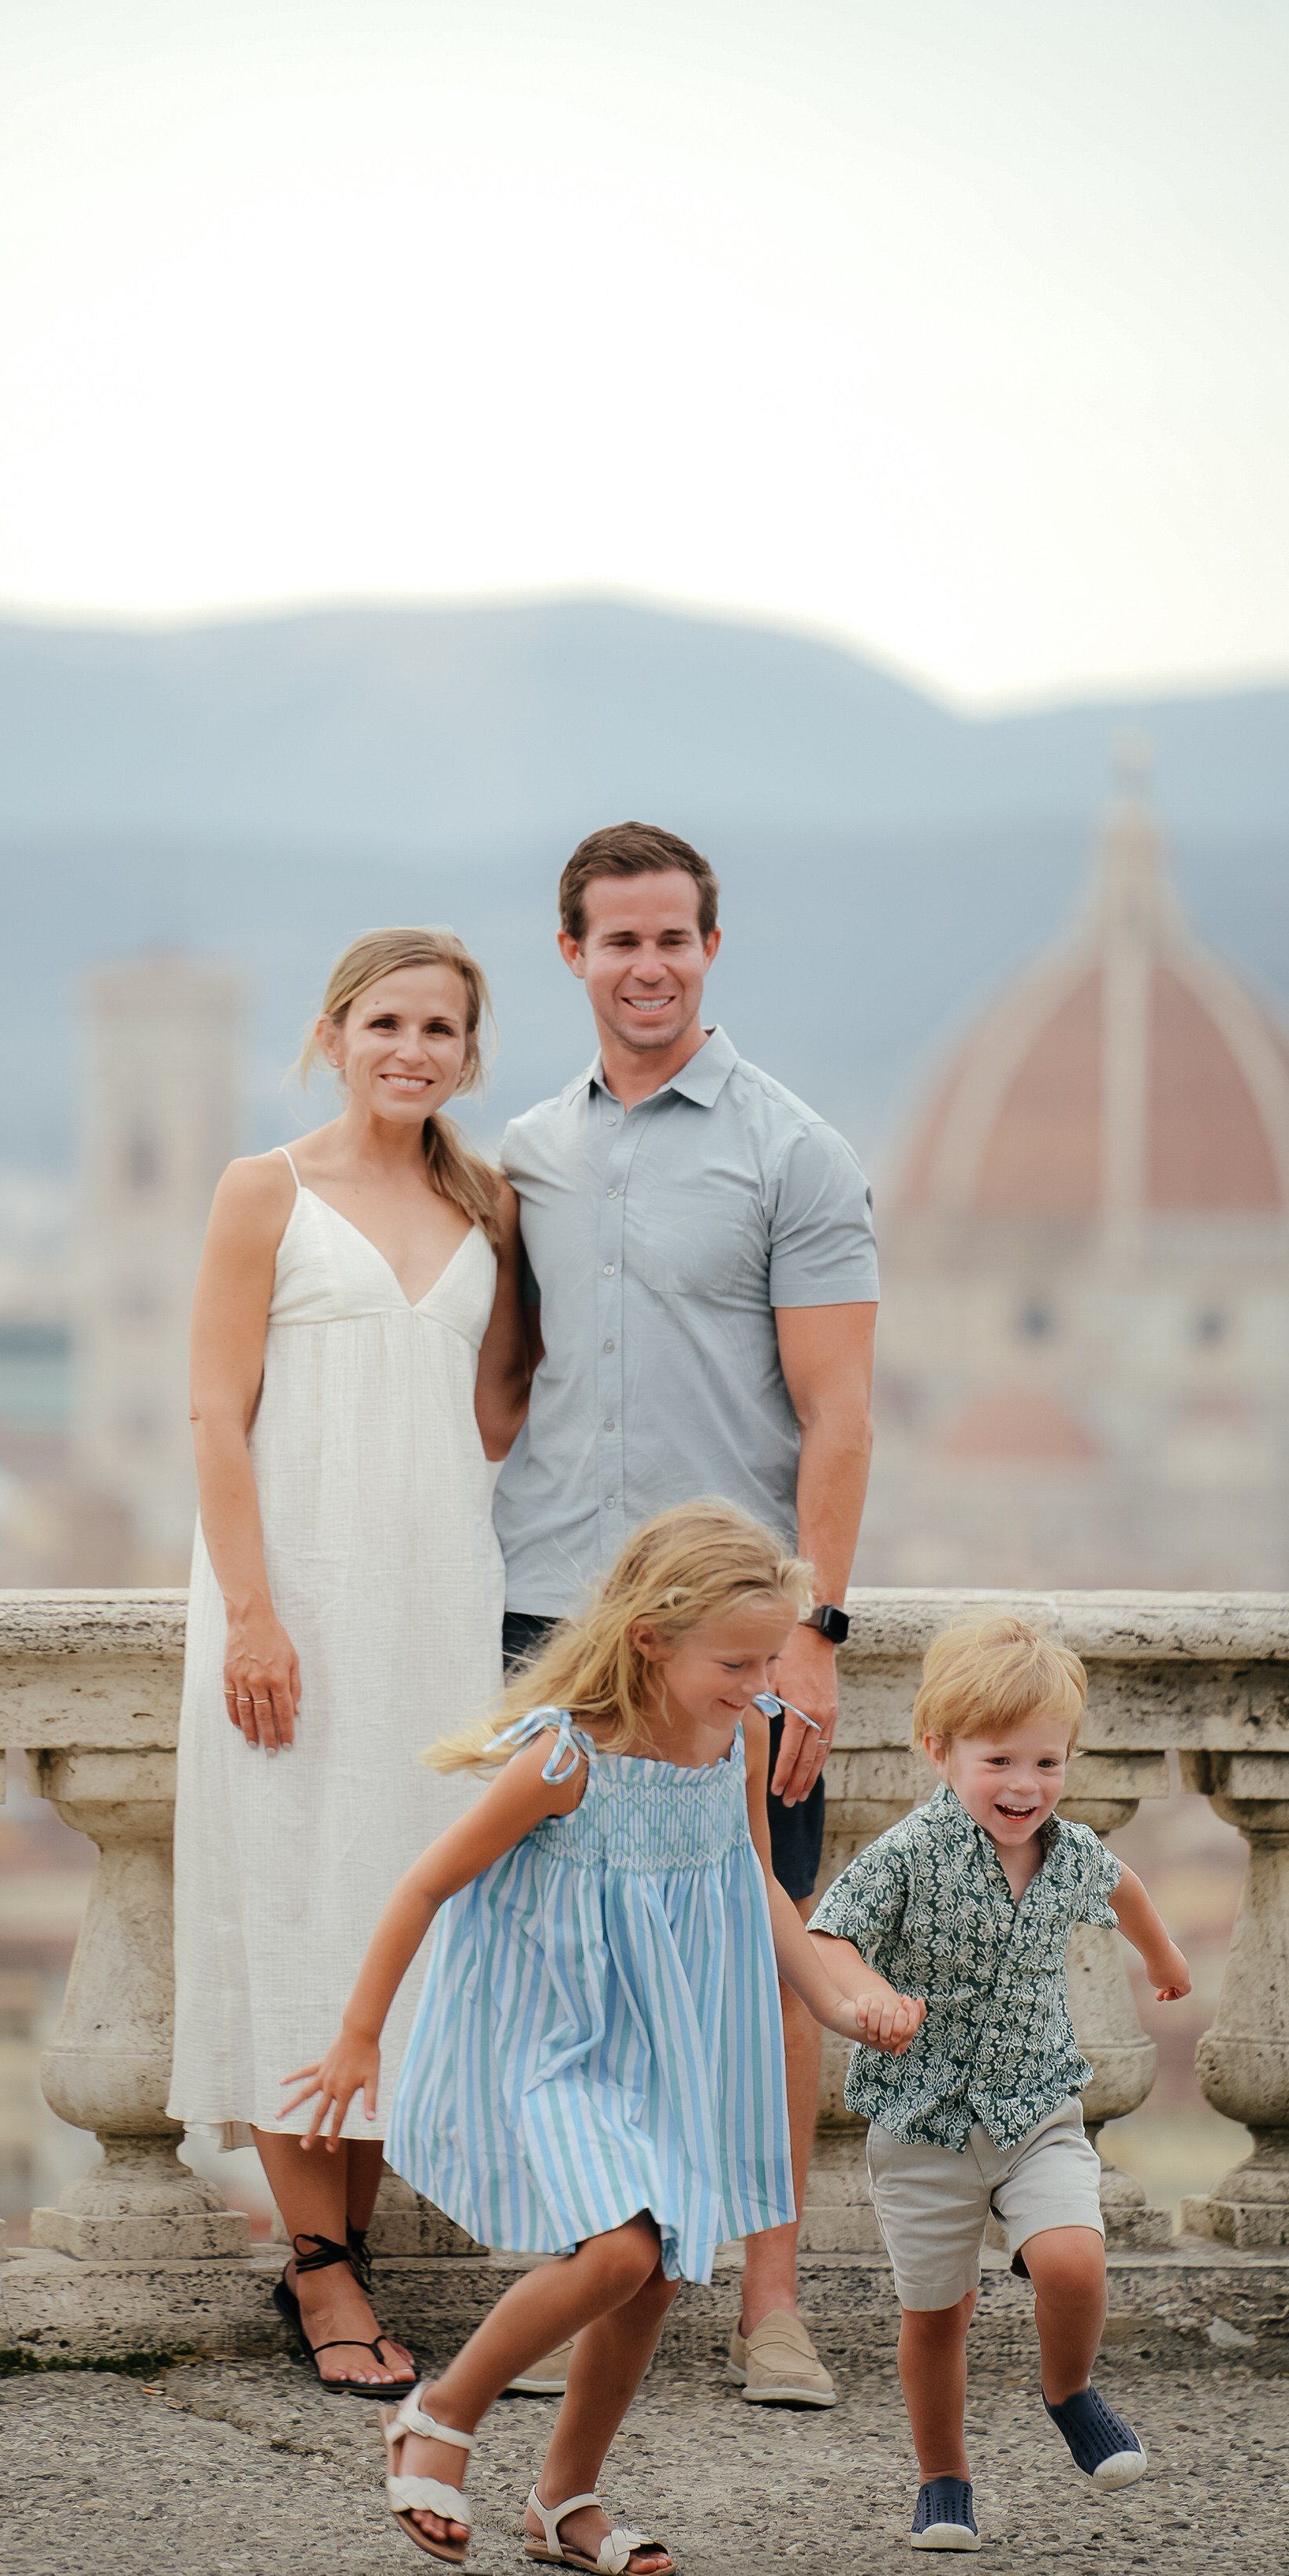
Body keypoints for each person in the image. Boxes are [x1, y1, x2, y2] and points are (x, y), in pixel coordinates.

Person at [281, 1503, 921, 2575]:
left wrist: (834, 2004)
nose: (761, 1680)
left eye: (771, 1656)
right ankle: (438, 2418)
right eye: (737, 1659)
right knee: (621, 2248)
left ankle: (563, 2501)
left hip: (669, 2043)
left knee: (659, 2269)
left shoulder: (743, 1732)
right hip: (554, 2040)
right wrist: (359, 2035)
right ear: (649, 1638)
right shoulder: (566, 1760)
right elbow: (427, 1884)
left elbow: (758, 1879)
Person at [494, 818, 878, 2408]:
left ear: (710, 950)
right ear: (569, 953)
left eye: (673, 938)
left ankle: (770, 2303)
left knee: (757, 1961)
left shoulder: (795, 1150)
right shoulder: (526, 1151)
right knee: (554, 1964)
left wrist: (816, 1631)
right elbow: (504, 1383)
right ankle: (575, 2285)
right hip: (551, 1612)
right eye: (617, 940)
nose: (646, 966)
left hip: (733, 1629)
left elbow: (841, 1409)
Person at [169, 926, 530, 2398]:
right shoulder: (267, 1189)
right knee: (296, 1909)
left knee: (405, 1928)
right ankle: (320, 2279)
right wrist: (254, 1611)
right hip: (291, 1610)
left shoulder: (491, 1205)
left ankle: (353, 2259)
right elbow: (211, 1410)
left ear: (467, 1051)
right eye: (386, 1021)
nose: (412, 1049)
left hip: (435, 1611)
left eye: (440, 1028)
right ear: (333, 1032)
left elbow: (500, 1407)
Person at [807, 1616, 1193, 2552]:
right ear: (938, 1751)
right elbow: (827, 1936)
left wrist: (1162, 1956)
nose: (1024, 1787)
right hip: (923, 2122)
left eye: (1045, 1763)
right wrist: (870, 2000)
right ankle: (943, 2480)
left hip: (1036, 2111)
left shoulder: (1068, 1853)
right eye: (997, 1762)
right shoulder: (907, 1854)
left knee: (1072, 2260)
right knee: (936, 2316)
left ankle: (1067, 2392)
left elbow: (1125, 1886)